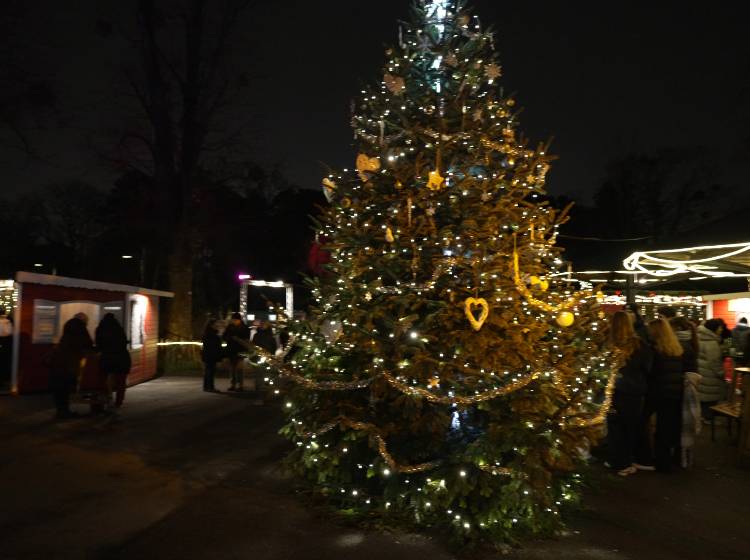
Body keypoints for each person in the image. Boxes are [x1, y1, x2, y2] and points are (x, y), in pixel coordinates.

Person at [635, 319, 687, 473]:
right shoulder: (677, 349)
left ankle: (645, 457)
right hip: (674, 393)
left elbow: (650, 372)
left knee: (641, 421)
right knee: (667, 427)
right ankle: (665, 461)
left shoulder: (654, 350)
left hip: (656, 392)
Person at [606, 311, 653, 477]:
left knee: (614, 426)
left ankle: (615, 460)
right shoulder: (639, 345)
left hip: (611, 390)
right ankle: (624, 462)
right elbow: (647, 367)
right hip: (633, 391)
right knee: (629, 427)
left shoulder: (608, 344)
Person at [48, 316, 94, 419]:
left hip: (59, 365)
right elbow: (88, 345)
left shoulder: (66, 334)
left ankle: (61, 411)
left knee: (59, 389)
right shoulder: (81, 331)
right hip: (70, 365)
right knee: (65, 388)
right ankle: (64, 412)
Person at [95, 313, 131, 410]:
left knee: (102, 380)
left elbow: (98, 344)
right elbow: (124, 341)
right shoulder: (118, 328)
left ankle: (104, 399)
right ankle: (118, 402)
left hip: (107, 358)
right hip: (121, 358)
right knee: (120, 382)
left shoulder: (100, 329)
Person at [696, 318, 726, 421]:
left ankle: (703, 416)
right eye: (720, 327)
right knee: (710, 398)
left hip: (702, 372)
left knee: (704, 397)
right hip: (710, 375)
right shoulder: (712, 343)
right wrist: (722, 373)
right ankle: (708, 418)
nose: (721, 329)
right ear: (714, 328)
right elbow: (715, 362)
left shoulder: (700, 338)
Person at [223, 312, 250, 391]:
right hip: (231, 350)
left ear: (239, 320)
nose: (234, 321)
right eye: (233, 320)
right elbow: (224, 336)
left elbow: (246, 340)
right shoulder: (230, 327)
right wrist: (230, 338)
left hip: (241, 351)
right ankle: (233, 384)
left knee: (239, 369)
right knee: (232, 369)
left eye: (235, 320)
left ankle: (240, 385)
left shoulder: (245, 328)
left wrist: (239, 339)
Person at [201, 318, 222, 392]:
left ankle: (206, 387)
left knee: (208, 370)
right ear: (212, 325)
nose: (218, 325)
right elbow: (214, 345)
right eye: (216, 324)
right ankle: (210, 387)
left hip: (208, 354)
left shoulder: (207, 333)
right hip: (211, 354)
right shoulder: (212, 334)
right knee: (210, 371)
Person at [0, 306, 13, 387]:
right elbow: (10, 333)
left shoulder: (5, 322)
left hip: (3, 342)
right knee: (4, 362)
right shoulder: (8, 321)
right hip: (6, 343)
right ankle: (3, 379)